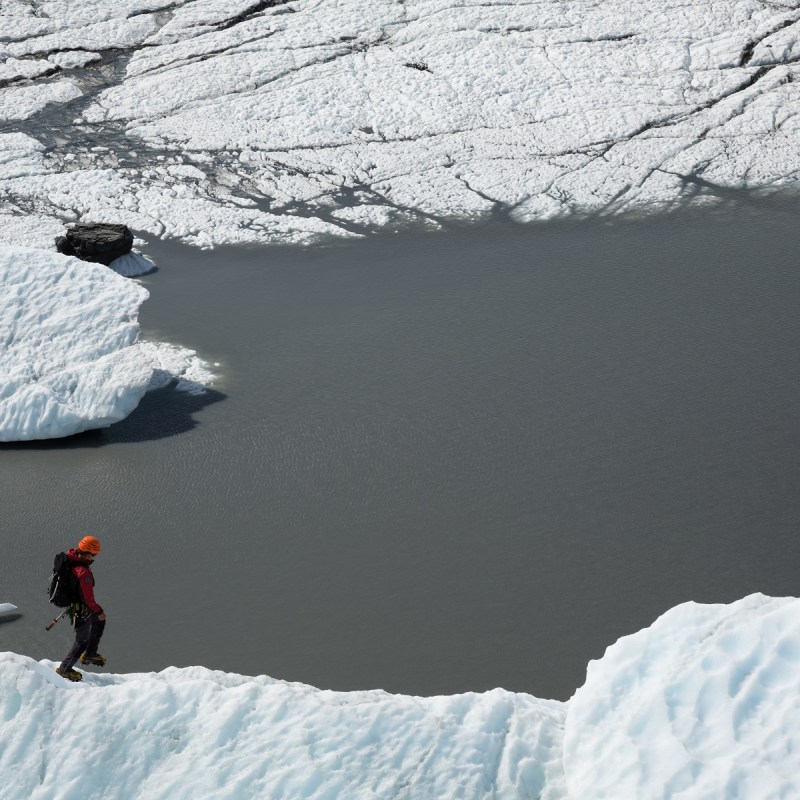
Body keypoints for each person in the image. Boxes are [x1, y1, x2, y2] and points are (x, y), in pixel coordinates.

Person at [56, 536, 107, 682]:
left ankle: (91, 653)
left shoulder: (72, 559)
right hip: (82, 609)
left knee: (99, 622)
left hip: (78, 605)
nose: (94, 557)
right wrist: (98, 611)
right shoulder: (83, 572)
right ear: (89, 553)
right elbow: (88, 599)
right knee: (81, 641)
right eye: (94, 554)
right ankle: (64, 669)